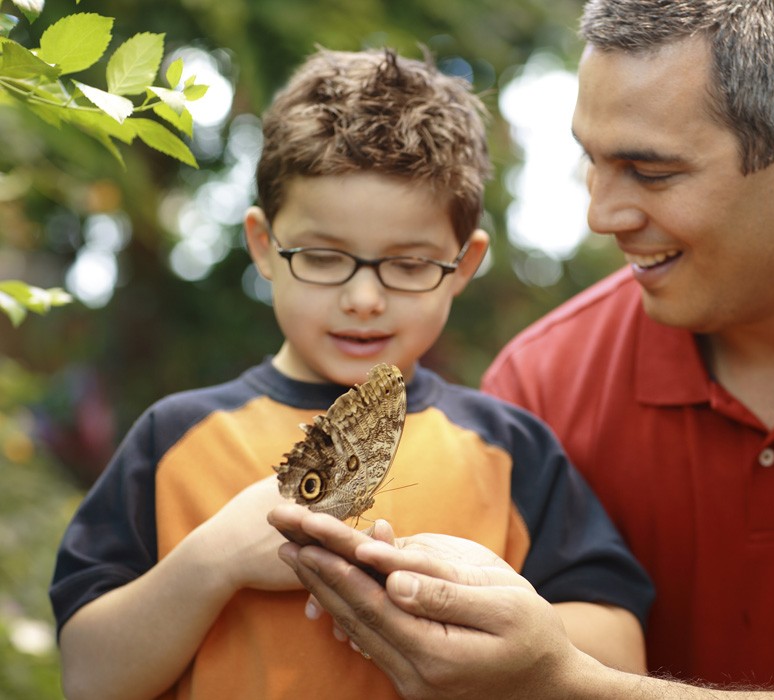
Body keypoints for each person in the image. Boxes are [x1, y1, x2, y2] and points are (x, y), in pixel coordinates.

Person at [272, 1, 774, 698]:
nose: (602, 215)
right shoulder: (543, 386)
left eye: (649, 171)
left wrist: (567, 685)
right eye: (593, 159)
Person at [49, 48, 653, 700]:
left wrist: (475, 606)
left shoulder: (509, 449)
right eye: (322, 256)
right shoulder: (174, 438)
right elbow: (88, 677)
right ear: (264, 246)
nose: (364, 298)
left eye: (409, 264)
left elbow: (621, 655)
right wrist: (215, 558)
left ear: (463, 265)